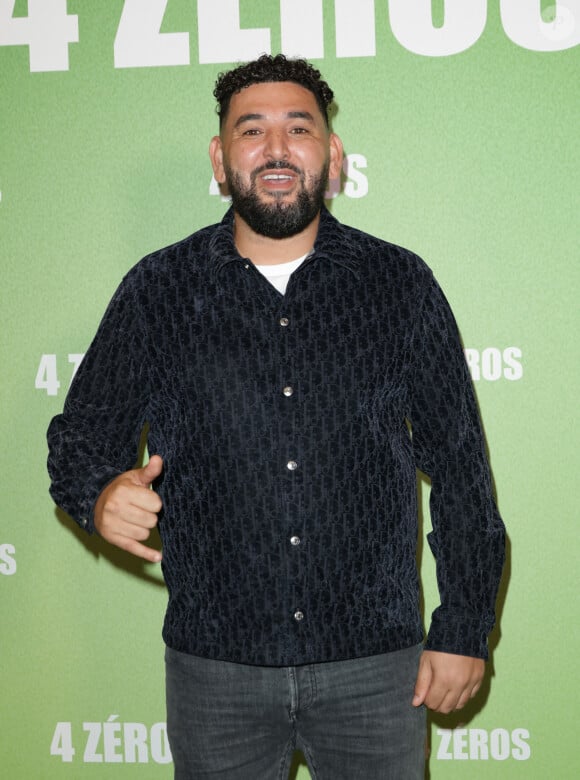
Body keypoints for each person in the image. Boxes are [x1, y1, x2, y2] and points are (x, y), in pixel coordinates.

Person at [47, 54, 505, 779]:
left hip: (376, 669)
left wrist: (463, 629)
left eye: (300, 127)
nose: (277, 148)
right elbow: (80, 439)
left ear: (333, 153)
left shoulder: (399, 285)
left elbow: (460, 470)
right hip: (214, 672)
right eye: (250, 130)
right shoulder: (158, 289)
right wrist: (99, 493)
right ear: (219, 156)